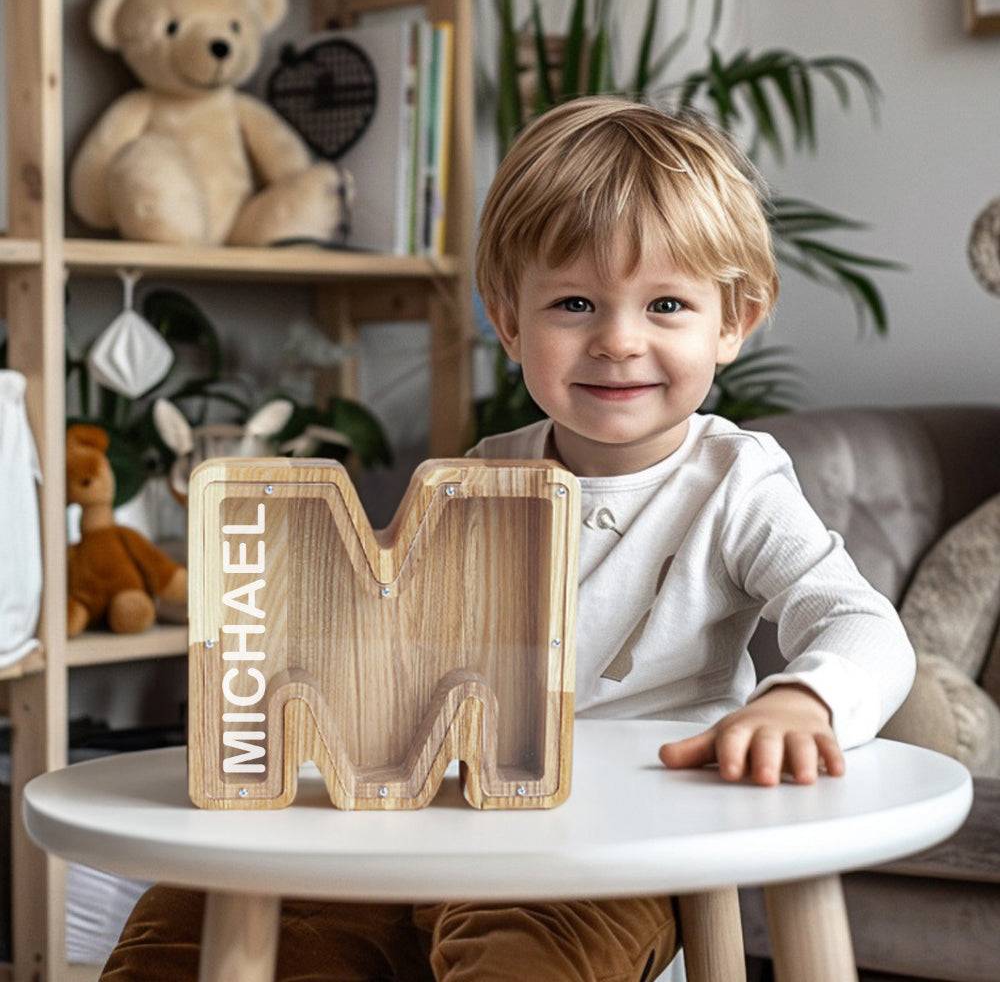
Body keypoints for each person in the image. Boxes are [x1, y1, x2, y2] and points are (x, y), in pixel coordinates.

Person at [101, 95, 916, 982]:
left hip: (611, 851)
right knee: (189, 924)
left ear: (734, 322)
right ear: (508, 319)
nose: (617, 341)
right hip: (434, 814)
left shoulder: (736, 481)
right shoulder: (480, 476)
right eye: (575, 302)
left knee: (521, 962)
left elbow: (861, 624)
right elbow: (388, 654)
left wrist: (805, 702)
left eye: (667, 305)